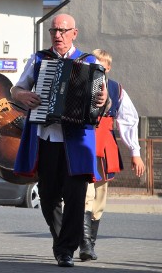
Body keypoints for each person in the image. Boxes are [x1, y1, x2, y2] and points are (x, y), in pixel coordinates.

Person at [11, 13, 107, 268]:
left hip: (77, 141)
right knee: (48, 195)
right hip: (46, 138)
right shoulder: (39, 59)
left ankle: (66, 249)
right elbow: (16, 88)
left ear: (74, 33)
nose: (58, 35)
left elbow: (102, 101)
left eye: (63, 31)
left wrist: (103, 98)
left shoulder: (89, 62)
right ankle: (61, 241)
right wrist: (23, 95)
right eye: (54, 31)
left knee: (75, 197)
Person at [78, 49, 145, 261]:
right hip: (83, 143)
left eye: (102, 65)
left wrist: (135, 152)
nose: (98, 68)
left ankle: (91, 243)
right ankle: (85, 245)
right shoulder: (80, 84)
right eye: (94, 64)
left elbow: (129, 120)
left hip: (105, 146)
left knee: (99, 199)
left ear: (108, 68)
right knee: (85, 196)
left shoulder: (116, 90)